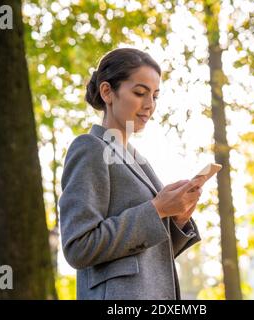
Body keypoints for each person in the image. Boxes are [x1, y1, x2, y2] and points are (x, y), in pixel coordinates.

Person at [59, 48, 205, 300]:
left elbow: (148, 252)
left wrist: (178, 218)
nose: (149, 105)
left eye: (155, 96)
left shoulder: (139, 161)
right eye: (139, 93)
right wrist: (156, 209)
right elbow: (78, 247)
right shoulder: (90, 148)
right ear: (107, 92)